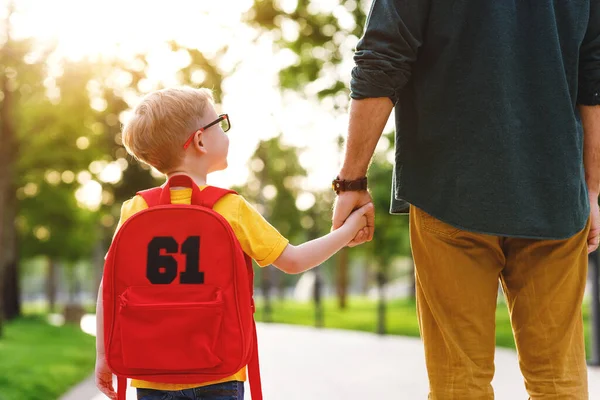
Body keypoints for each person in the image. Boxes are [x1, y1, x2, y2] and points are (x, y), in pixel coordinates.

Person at [332, 1, 600, 398]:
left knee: (460, 382)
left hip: (450, 190)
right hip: (554, 192)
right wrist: (592, 189)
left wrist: (351, 180)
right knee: (558, 382)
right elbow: (593, 74)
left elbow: (382, 55)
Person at [94, 87, 372, 400]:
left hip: (151, 377)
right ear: (200, 140)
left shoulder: (136, 210)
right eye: (219, 123)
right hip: (218, 373)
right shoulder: (229, 208)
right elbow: (294, 261)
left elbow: (109, 287)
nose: (226, 132)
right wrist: (349, 229)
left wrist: (104, 357)